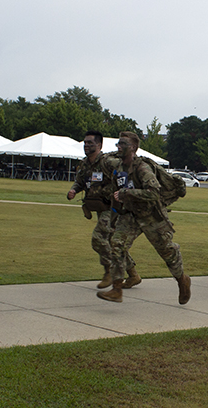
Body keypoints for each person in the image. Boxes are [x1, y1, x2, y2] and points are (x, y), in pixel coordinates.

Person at [97, 131, 190, 304]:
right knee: (117, 243)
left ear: (133, 148)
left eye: (123, 144)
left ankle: (182, 279)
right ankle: (117, 288)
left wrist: (126, 193)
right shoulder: (119, 167)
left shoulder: (142, 168)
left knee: (167, 252)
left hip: (151, 216)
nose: (119, 146)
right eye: (118, 143)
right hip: (131, 216)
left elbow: (154, 192)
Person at [67, 130, 139, 290]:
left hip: (112, 208)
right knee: (112, 243)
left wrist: (124, 191)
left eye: (90, 143)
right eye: (85, 143)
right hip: (99, 208)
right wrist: (73, 191)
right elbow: (80, 181)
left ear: (99, 145)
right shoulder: (85, 164)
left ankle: (111, 272)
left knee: (99, 239)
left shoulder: (107, 162)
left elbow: (125, 170)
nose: (86, 146)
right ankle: (133, 275)